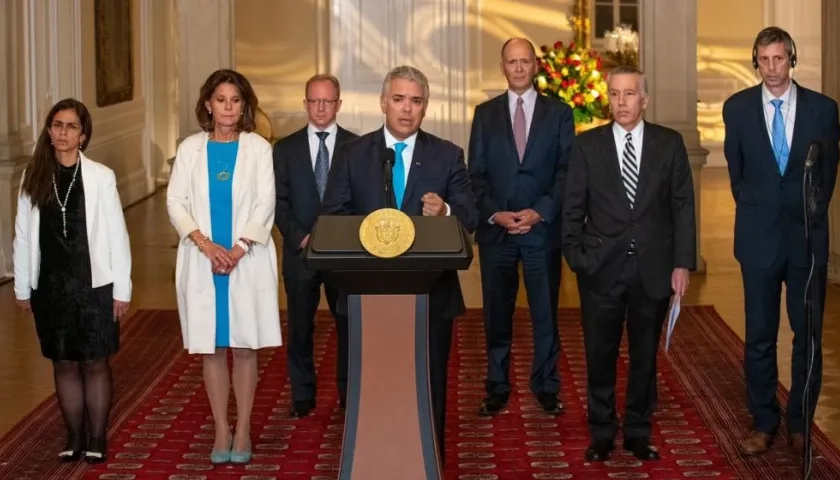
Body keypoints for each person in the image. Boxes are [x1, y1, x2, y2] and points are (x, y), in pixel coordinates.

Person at [321, 65, 479, 463]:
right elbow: (333, 215)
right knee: (373, 383)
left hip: (430, 297)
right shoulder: (353, 154)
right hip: (367, 295)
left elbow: (471, 218)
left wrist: (444, 211)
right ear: (383, 102)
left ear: (425, 107)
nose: (406, 109)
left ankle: (427, 461)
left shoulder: (446, 155)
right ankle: (372, 459)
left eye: (416, 101)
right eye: (398, 99)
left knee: (428, 384)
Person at [561, 65, 696, 461]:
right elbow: (572, 208)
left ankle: (638, 429)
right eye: (615, 94)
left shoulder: (669, 144)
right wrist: (577, 257)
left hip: (653, 270)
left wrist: (682, 263)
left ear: (645, 100)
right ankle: (602, 431)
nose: (621, 101)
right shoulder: (587, 146)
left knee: (644, 356)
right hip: (600, 269)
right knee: (599, 354)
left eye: (630, 94)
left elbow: (682, 207)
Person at [722, 27, 839, 456]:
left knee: (808, 335)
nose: (772, 67)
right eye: (764, 59)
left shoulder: (824, 110)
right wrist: (760, 210)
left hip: (806, 240)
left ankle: (800, 423)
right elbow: (737, 174)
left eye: (779, 58)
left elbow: (826, 178)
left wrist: (805, 213)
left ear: (793, 59)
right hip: (758, 240)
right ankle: (764, 421)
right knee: (759, 335)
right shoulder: (736, 109)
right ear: (756, 61)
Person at [166, 69, 282, 465]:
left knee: (245, 345)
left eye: (236, 100)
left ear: (244, 106)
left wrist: (237, 248)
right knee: (212, 347)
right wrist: (206, 245)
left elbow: (265, 203)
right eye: (221, 100)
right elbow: (176, 202)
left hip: (244, 261)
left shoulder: (259, 149)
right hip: (203, 262)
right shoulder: (189, 149)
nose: (228, 107)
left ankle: (245, 425)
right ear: (208, 105)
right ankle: (221, 428)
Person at [13, 98, 132, 463]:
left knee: (95, 361)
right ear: (49, 132)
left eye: (71, 126)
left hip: (94, 286)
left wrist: (122, 289)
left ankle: (97, 437)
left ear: (83, 135)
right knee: (63, 362)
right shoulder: (32, 175)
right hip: (50, 287)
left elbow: (117, 236)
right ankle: (74, 436)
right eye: (57, 125)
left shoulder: (100, 176)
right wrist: (22, 287)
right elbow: (22, 235)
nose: (63, 132)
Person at [467, 37, 574, 416]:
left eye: (524, 61)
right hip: (497, 232)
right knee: (497, 314)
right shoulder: (484, 114)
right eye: (511, 61)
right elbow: (475, 175)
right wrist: (496, 213)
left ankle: (546, 385)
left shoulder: (559, 114)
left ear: (535, 66)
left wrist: (539, 211)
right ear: (502, 66)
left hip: (541, 231)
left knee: (545, 313)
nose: (517, 68)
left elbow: (566, 172)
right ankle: (497, 385)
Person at [273, 74, 358, 418]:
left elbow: (361, 200)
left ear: (339, 104)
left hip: (343, 255)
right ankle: (303, 397)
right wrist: (301, 236)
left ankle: (348, 395)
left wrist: (338, 239)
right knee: (299, 328)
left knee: (349, 326)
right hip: (300, 253)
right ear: (305, 103)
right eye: (314, 101)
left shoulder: (357, 146)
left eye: (328, 101)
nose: (321, 108)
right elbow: (278, 202)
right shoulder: (285, 148)